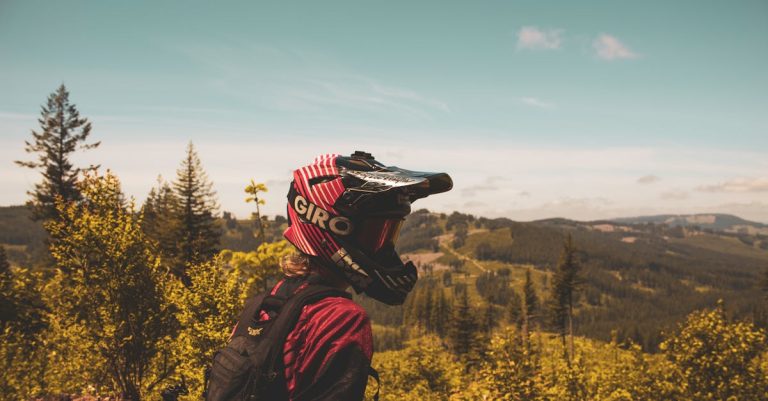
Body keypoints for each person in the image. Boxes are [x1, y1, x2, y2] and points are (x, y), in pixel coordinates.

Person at [232, 151, 452, 401]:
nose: (383, 250)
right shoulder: (341, 318)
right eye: (376, 235)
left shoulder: (259, 306)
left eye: (390, 234)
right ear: (332, 225)